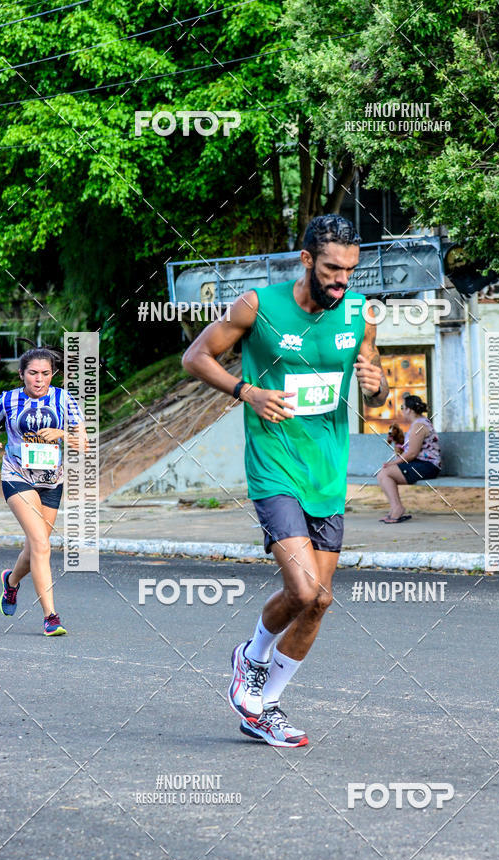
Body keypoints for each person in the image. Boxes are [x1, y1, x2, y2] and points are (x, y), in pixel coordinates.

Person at [182, 214, 389, 747]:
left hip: (327, 472)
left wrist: (377, 386)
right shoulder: (259, 306)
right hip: (274, 466)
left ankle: (264, 705)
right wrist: (245, 391)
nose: (342, 281)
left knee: (320, 602)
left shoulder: (360, 315)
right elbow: (195, 356)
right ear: (306, 261)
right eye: (332, 269)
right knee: (302, 588)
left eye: (350, 271)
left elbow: (376, 389)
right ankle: (251, 657)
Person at [0, 346, 87, 635]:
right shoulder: (8, 400)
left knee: (35, 546)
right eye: (33, 373)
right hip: (17, 476)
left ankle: (10, 582)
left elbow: (83, 443)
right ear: (21, 374)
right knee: (42, 546)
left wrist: (62, 434)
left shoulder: (63, 398)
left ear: (53, 374)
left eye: (45, 373)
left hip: (51, 482)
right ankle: (51, 617)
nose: (39, 379)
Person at [377, 394, 441, 523]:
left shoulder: (419, 426)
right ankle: (395, 508)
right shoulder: (419, 423)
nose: (401, 410)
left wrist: (392, 463)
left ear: (409, 410)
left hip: (427, 466)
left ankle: (397, 509)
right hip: (421, 464)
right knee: (383, 473)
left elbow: (412, 453)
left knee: (385, 473)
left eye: (402, 407)